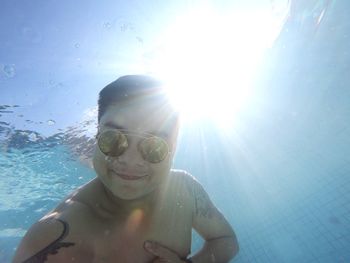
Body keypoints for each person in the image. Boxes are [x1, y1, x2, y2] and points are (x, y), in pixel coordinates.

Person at [13, 75, 239, 263]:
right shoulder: (54, 237)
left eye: (154, 146)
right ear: (96, 137)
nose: (130, 161)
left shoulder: (185, 190)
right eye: (113, 139)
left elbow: (226, 239)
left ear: (173, 150)